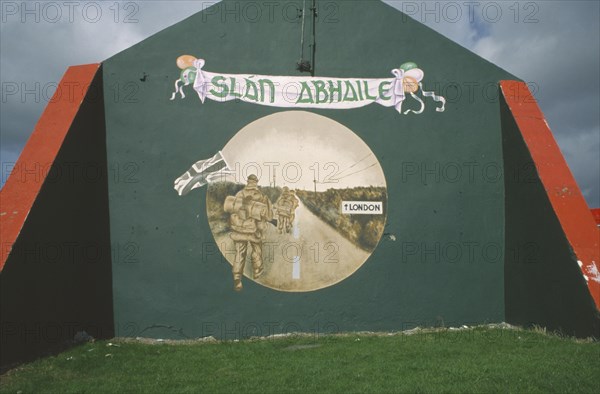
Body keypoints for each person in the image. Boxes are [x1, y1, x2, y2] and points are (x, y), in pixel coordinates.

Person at [226, 174, 272, 291]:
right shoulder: (260, 195)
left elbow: (232, 211)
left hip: (238, 229)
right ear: (256, 182)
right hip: (253, 230)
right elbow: (266, 216)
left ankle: (237, 277)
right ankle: (257, 271)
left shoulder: (239, 194)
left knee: (240, 253)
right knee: (257, 249)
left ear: (248, 182)